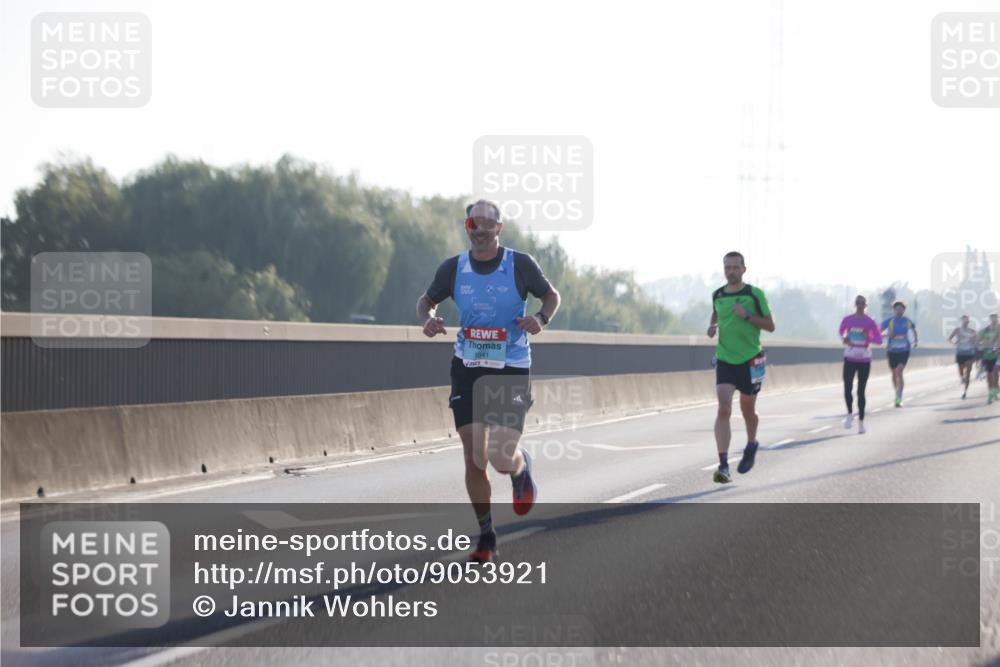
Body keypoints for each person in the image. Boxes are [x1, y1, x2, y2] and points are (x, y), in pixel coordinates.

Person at [416, 199, 561, 562]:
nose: (479, 231)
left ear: (499, 228)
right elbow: (426, 300)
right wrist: (428, 319)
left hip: (511, 366)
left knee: (499, 456)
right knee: (474, 458)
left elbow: (551, 296)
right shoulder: (454, 268)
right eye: (473, 225)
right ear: (467, 228)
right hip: (468, 366)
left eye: (487, 224)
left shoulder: (519, 264)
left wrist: (540, 319)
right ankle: (486, 535)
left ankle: (520, 468)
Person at [707, 251, 775, 483]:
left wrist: (746, 316)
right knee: (724, 409)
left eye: (735, 267)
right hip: (725, 359)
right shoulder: (717, 294)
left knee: (748, 410)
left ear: (744, 269)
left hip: (750, 359)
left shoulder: (754, 294)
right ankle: (723, 465)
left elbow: (770, 326)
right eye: (727, 267)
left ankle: (751, 443)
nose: (731, 271)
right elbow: (715, 314)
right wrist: (712, 327)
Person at [838, 295, 883, 434]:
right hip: (850, 357)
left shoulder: (870, 321)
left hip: (864, 359)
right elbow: (841, 332)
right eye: (858, 302)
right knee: (847, 388)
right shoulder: (848, 319)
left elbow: (879, 340)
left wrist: (868, 337)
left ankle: (861, 422)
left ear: (866, 305)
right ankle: (849, 414)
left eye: (862, 303)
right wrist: (844, 338)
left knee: (861, 391)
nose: (860, 305)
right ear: (855, 304)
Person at [880, 301, 918, 407]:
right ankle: (896, 392)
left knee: (899, 371)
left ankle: (899, 396)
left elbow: (913, 330)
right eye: (897, 309)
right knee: (894, 374)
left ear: (904, 310)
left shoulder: (907, 321)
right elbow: (878, 331)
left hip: (904, 350)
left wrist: (915, 341)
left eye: (901, 308)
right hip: (892, 351)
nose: (899, 310)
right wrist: (888, 335)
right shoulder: (890, 321)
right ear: (894, 310)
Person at [948, 315, 979, 399]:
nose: (965, 322)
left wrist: (973, 342)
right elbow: (949, 339)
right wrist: (955, 343)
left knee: (968, 373)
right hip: (960, 353)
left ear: (968, 322)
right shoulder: (957, 330)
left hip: (969, 353)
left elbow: (977, 342)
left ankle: (965, 391)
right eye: (964, 321)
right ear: (961, 321)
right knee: (961, 372)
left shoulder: (972, 331)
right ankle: (962, 378)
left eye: (967, 321)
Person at [978, 313, 1000, 405]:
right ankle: (991, 394)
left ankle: (995, 390)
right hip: (990, 354)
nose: (994, 320)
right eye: (992, 318)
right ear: (990, 319)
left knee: (995, 374)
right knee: (991, 376)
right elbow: (980, 342)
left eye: (996, 318)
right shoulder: (985, 330)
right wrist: (986, 344)